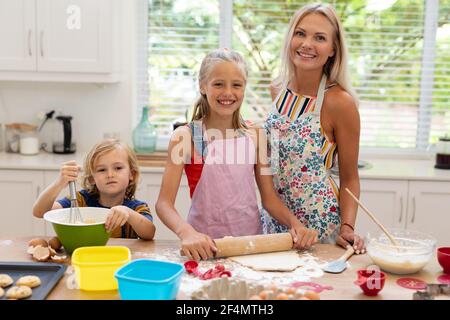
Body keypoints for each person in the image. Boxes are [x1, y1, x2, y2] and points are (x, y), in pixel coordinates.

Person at [156, 48, 318, 261]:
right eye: (218, 84)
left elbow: (269, 199)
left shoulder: (256, 134)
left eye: (236, 85)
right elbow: (164, 204)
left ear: (244, 88)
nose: (228, 93)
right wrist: (187, 234)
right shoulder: (186, 136)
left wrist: (296, 226)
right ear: (203, 86)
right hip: (204, 246)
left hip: (250, 245)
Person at [262, 3, 365, 253]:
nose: (307, 44)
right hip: (276, 224)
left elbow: (350, 177)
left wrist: (347, 227)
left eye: (319, 38)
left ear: (332, 50)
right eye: (300, 33)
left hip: (320, 229)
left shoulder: (340, 102)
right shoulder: (277, 89)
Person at [32, 139, 155, 240]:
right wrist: (59, 183)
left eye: (118, 168)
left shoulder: (136, 208)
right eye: (102, 170)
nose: (110, 174)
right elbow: (39, 212)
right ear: (91, 178)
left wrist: (128, 213)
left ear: (131, 174)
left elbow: (149, 233)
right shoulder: (80, 201)